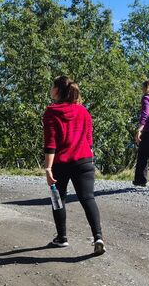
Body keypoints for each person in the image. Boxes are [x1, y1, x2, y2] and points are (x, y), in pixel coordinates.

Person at [43, 76, 105, 255]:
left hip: (61, 163)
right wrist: (90, 159)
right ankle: (98, 237)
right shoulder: (83, 111)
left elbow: (51, 142)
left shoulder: (51, 112)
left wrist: (48, 168)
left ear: (57, 90)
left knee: (58, 199)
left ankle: (62, 238)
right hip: (84, 160)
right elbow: (89, 140)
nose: (50, 89)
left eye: (52, 86)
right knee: (88, 198)